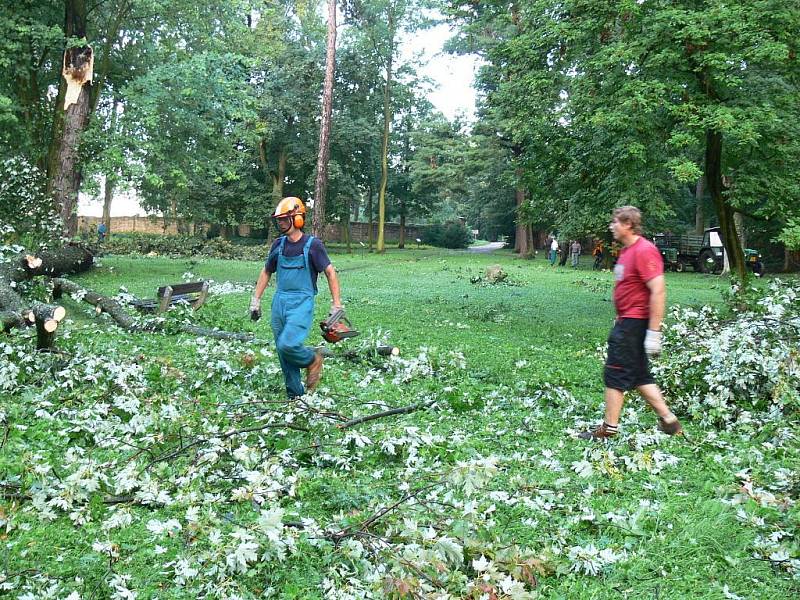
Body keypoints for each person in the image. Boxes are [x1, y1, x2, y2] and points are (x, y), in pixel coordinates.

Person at [579, 206, 682, 440]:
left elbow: (658, 290)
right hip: (627, 320)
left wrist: (653, 332)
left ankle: (609, 429)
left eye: (614, 222)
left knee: (614, 372)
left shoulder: (645, 250)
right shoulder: (627, 252)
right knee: (638, 375)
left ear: (627, 224)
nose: (611, 226)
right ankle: (669, 421)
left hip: (633, 325)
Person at [249, 197, 343, 398]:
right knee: (283, 353)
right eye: (279, 220)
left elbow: (330, 272)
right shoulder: (278, 245)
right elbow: (266, 271)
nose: (280, 223)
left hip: (301, 303)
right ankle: (295, 395)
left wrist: (336, 304)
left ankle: (312, 360)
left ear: (297, 218)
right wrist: (256, 299)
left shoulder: (313, 245)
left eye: (284, 219)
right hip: (279, 303)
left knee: (288, 344)